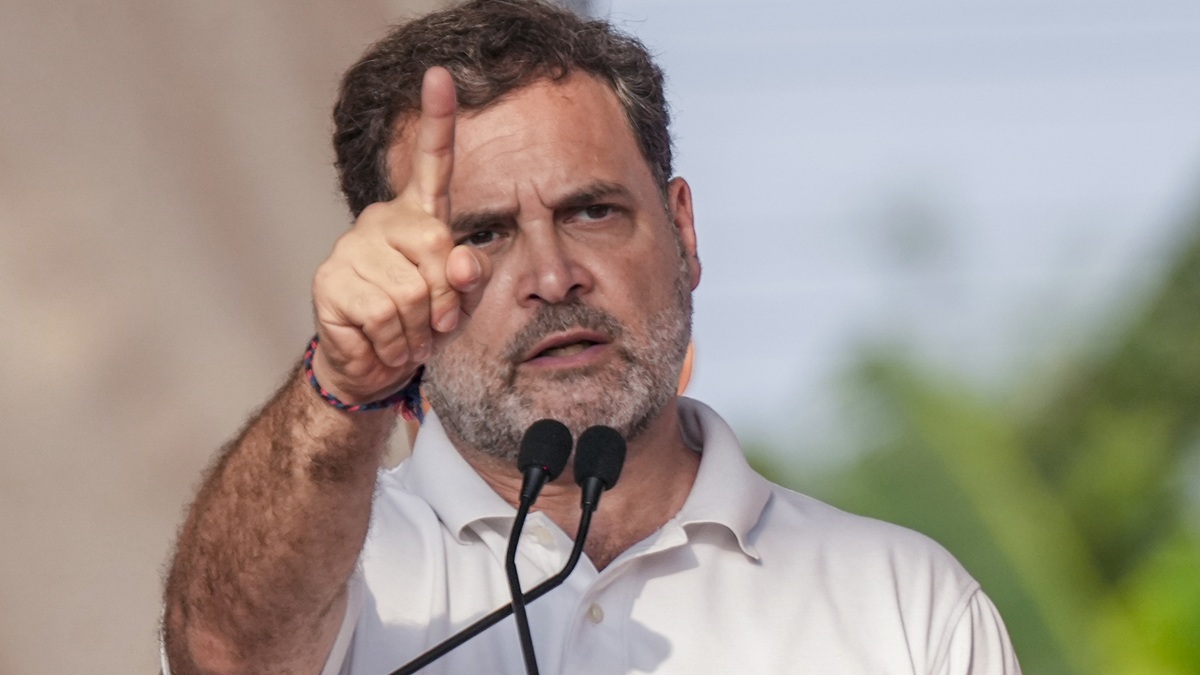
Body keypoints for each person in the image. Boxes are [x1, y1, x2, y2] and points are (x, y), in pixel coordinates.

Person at [161, 1, 1022, 673]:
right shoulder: (339, 568)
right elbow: (224, 656)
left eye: (592, 212)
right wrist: (346, 386)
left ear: (682, 230)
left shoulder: (903, 602)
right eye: (483, 234)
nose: (552, 274)